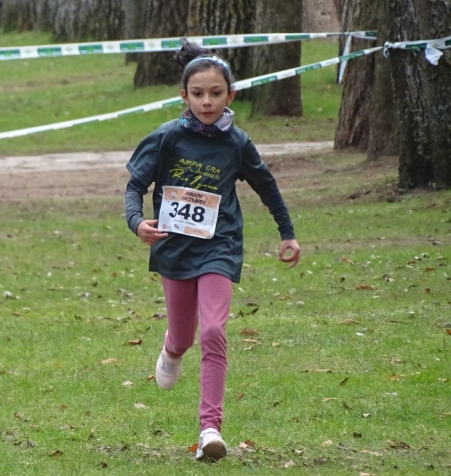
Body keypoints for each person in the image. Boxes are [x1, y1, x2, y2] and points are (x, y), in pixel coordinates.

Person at [123, 38, 301, 462]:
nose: (207, 101)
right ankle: (172, 346)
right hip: (174, 249)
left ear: (231, 95)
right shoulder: (166, 138)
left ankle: (210, 429)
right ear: (184, 96)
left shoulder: (236, 142)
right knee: (185, 336)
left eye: (216, 93)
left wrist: (287, 233)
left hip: (220, 246)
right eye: (198, 94)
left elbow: (266, 185)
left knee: (215, 331)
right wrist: (137, 223)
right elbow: (135, 186)